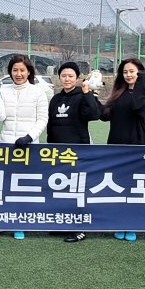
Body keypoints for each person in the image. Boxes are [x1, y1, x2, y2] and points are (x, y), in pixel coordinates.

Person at [0, 54, 48, 240]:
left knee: (23, 186)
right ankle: (0, 222)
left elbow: (42, 119)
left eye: (22, 70)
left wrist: (29, 137)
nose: (18, 74)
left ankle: (20, 223)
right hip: (6, 145)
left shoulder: (38, 91)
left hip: (28, 146)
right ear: (10, 72)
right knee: (4, 185)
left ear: (29, 71)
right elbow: (1, 117)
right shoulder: (4, 90)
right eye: (15, 70)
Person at [47, 61, 102, 243]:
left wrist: (87, 93)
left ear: (77, 78)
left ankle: (80, 228)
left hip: (78, 151)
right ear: (59, 77)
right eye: (64, 75)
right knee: (60, 188)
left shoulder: (83, 95)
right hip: (58, 152)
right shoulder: (56, 99)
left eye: (71, 76)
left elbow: (94, 115)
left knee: (77, 190)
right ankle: (63, 224)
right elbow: (51, 127)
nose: (67, 79)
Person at [100, 58, 145, 242]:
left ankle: (131, 224)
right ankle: (117, 221)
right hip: (115, 145)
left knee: (133, 187)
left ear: (140, 73)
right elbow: (104, 116)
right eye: (125, 72)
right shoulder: (117, 93)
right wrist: (90, 94)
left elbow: (138, 107)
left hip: (136, 145)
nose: (128, 75)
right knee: (117, 185)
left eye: (132, 71)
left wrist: (136, 86)